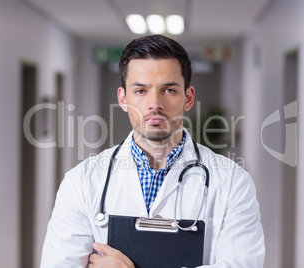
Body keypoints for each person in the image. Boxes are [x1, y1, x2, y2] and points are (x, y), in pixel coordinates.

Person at [41, 34, 265, 267]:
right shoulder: (81, 182)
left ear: (188, 98)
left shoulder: (232, 183)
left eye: (168, 90)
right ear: (123, 98)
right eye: (140, 90)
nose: (154, 103)